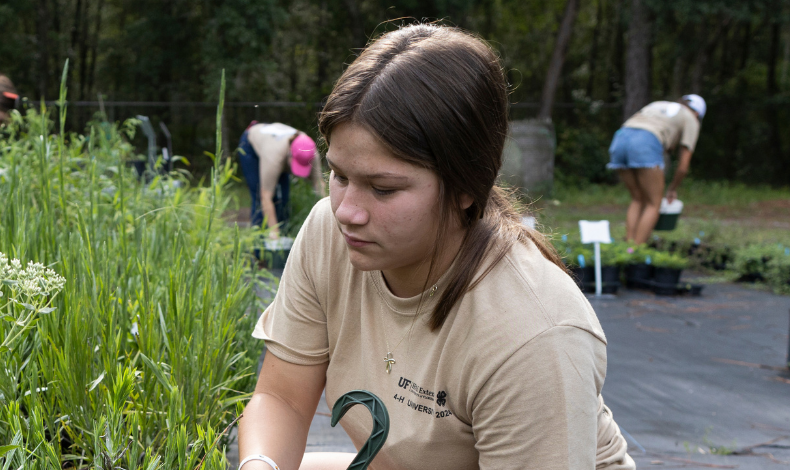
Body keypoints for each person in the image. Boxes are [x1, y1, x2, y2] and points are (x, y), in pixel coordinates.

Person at [237, 24, 634, 470]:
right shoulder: (330, 234)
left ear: (467, 186)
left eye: (383, 188)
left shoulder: (533, 335)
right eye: (341, 176)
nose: (347, 210)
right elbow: (283, 399)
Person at [609, 94, 704, 244]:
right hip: (645, 142)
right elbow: (683, 167)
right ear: (697, 114)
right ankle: (636, 251)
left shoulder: (659, 105)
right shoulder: (691, 119)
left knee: (637, 198)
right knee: (654, 203)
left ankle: (627, 246)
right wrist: (672, 188)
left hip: (620, 139)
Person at [238, 121, 321, 239]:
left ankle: (285, 233)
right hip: (251, 145)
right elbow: (265, 196)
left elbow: (318, 184)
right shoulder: (273, 157)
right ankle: (259, 245)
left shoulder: (309, 150)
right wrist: (275, 235)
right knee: (260, 198)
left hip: (279, 149)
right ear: (290, 155)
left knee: (283, 199)